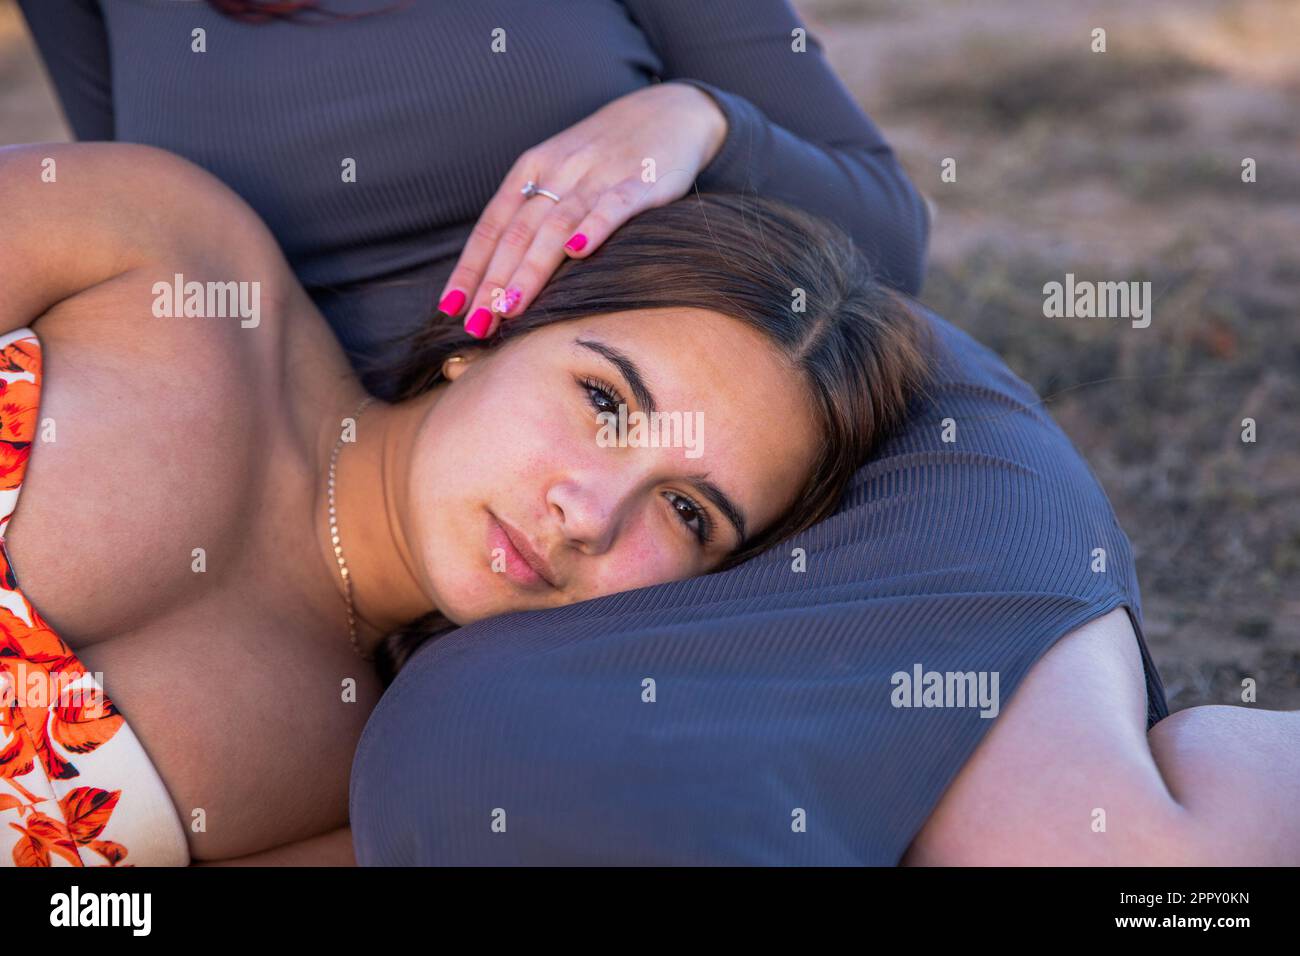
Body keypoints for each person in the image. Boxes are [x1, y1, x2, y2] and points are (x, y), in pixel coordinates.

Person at [0, 141, 933, 865]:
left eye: (688, 512)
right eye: (605, 400)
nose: (589, 512)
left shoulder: (370, 798)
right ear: (493, 328)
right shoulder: (171, 255)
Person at [15, 0, 932, 398]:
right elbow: (131, 235)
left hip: (703, 467)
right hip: (348, 519)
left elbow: (889, 236)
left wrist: (700, 122)